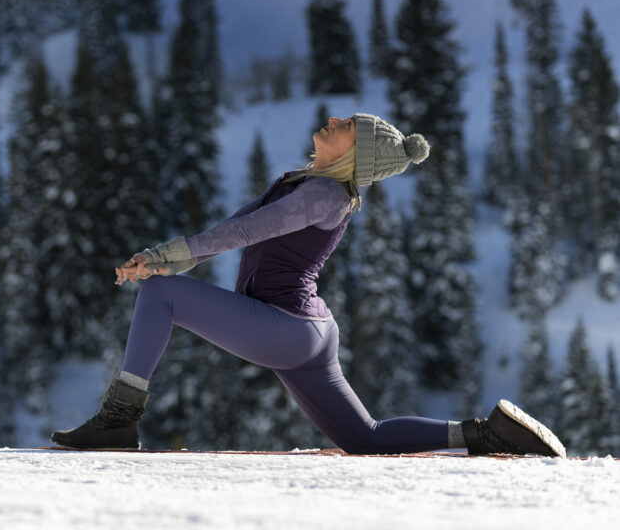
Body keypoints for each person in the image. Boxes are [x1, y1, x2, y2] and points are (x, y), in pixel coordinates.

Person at [51, 114, 566, 457]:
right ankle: (488, 433)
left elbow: (249, 232)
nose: (335, 121)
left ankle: (119, 419)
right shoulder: (299, 183)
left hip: (289, 328)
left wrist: (165, 266)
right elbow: (229, 229)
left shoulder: (327, 196)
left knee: (159, 299)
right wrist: (160, 262)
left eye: (347, 127)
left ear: (355, 155)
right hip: (305, 332)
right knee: (365, 440)